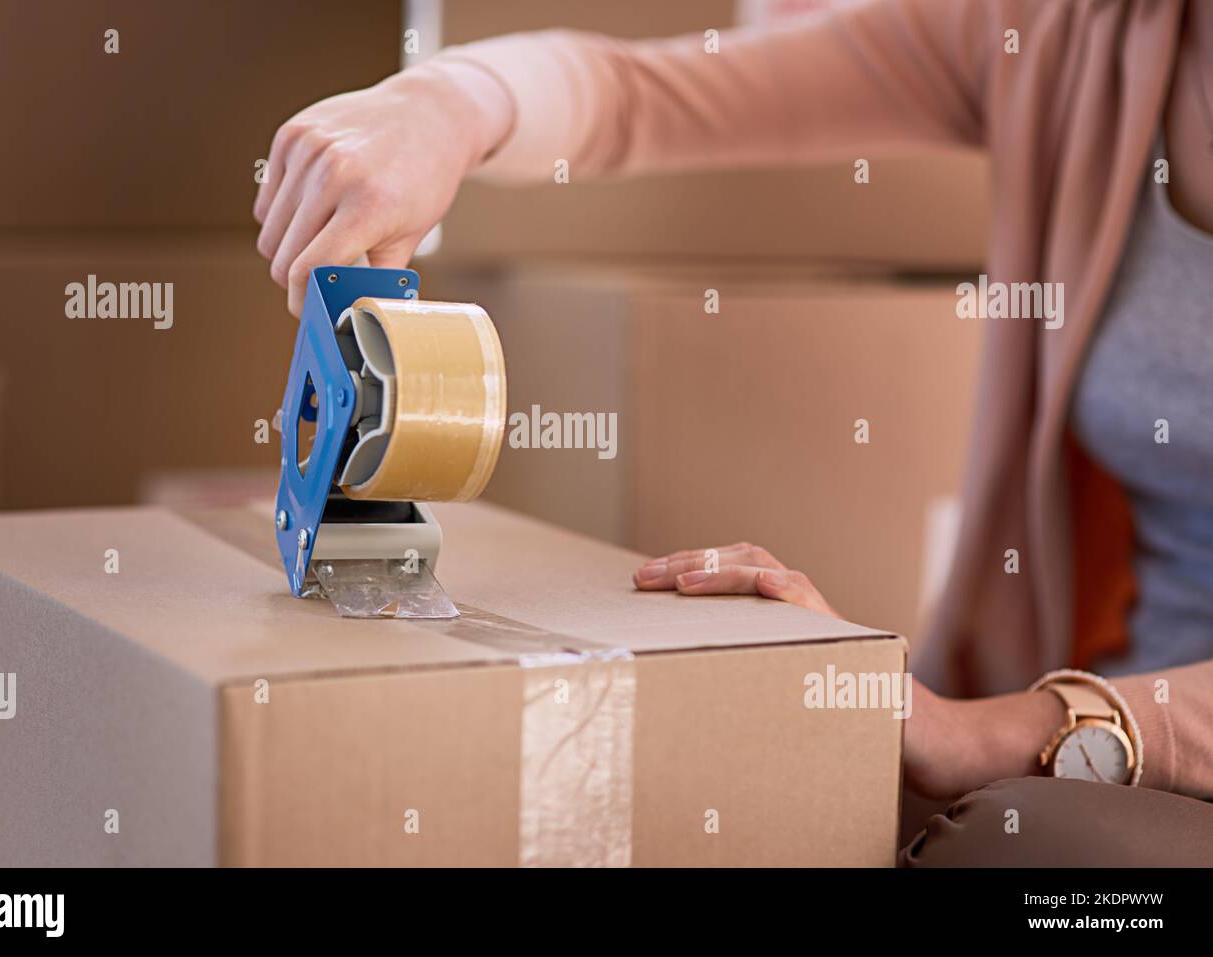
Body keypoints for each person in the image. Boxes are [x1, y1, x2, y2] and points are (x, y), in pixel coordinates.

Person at [254, 0, 1213, 865]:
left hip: (1106, 773)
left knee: (1034, 858)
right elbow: (649, 94)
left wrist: (990, 733)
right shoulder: (1070, 33)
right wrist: (447, 104)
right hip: (1092, 736)